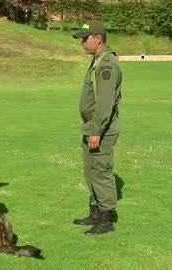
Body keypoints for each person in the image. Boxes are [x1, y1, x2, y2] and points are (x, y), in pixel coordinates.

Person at [72, 20, 122, 235]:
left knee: (101, 172)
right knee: (90, 172)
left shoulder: (107, 65)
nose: (82, 43)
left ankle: (107, 219)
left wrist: (96, 131)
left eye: (86, 38)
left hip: (100, 129)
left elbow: (105, 103)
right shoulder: (97, 61)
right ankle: (95, 212)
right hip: (91, 127)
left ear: (98, 39)